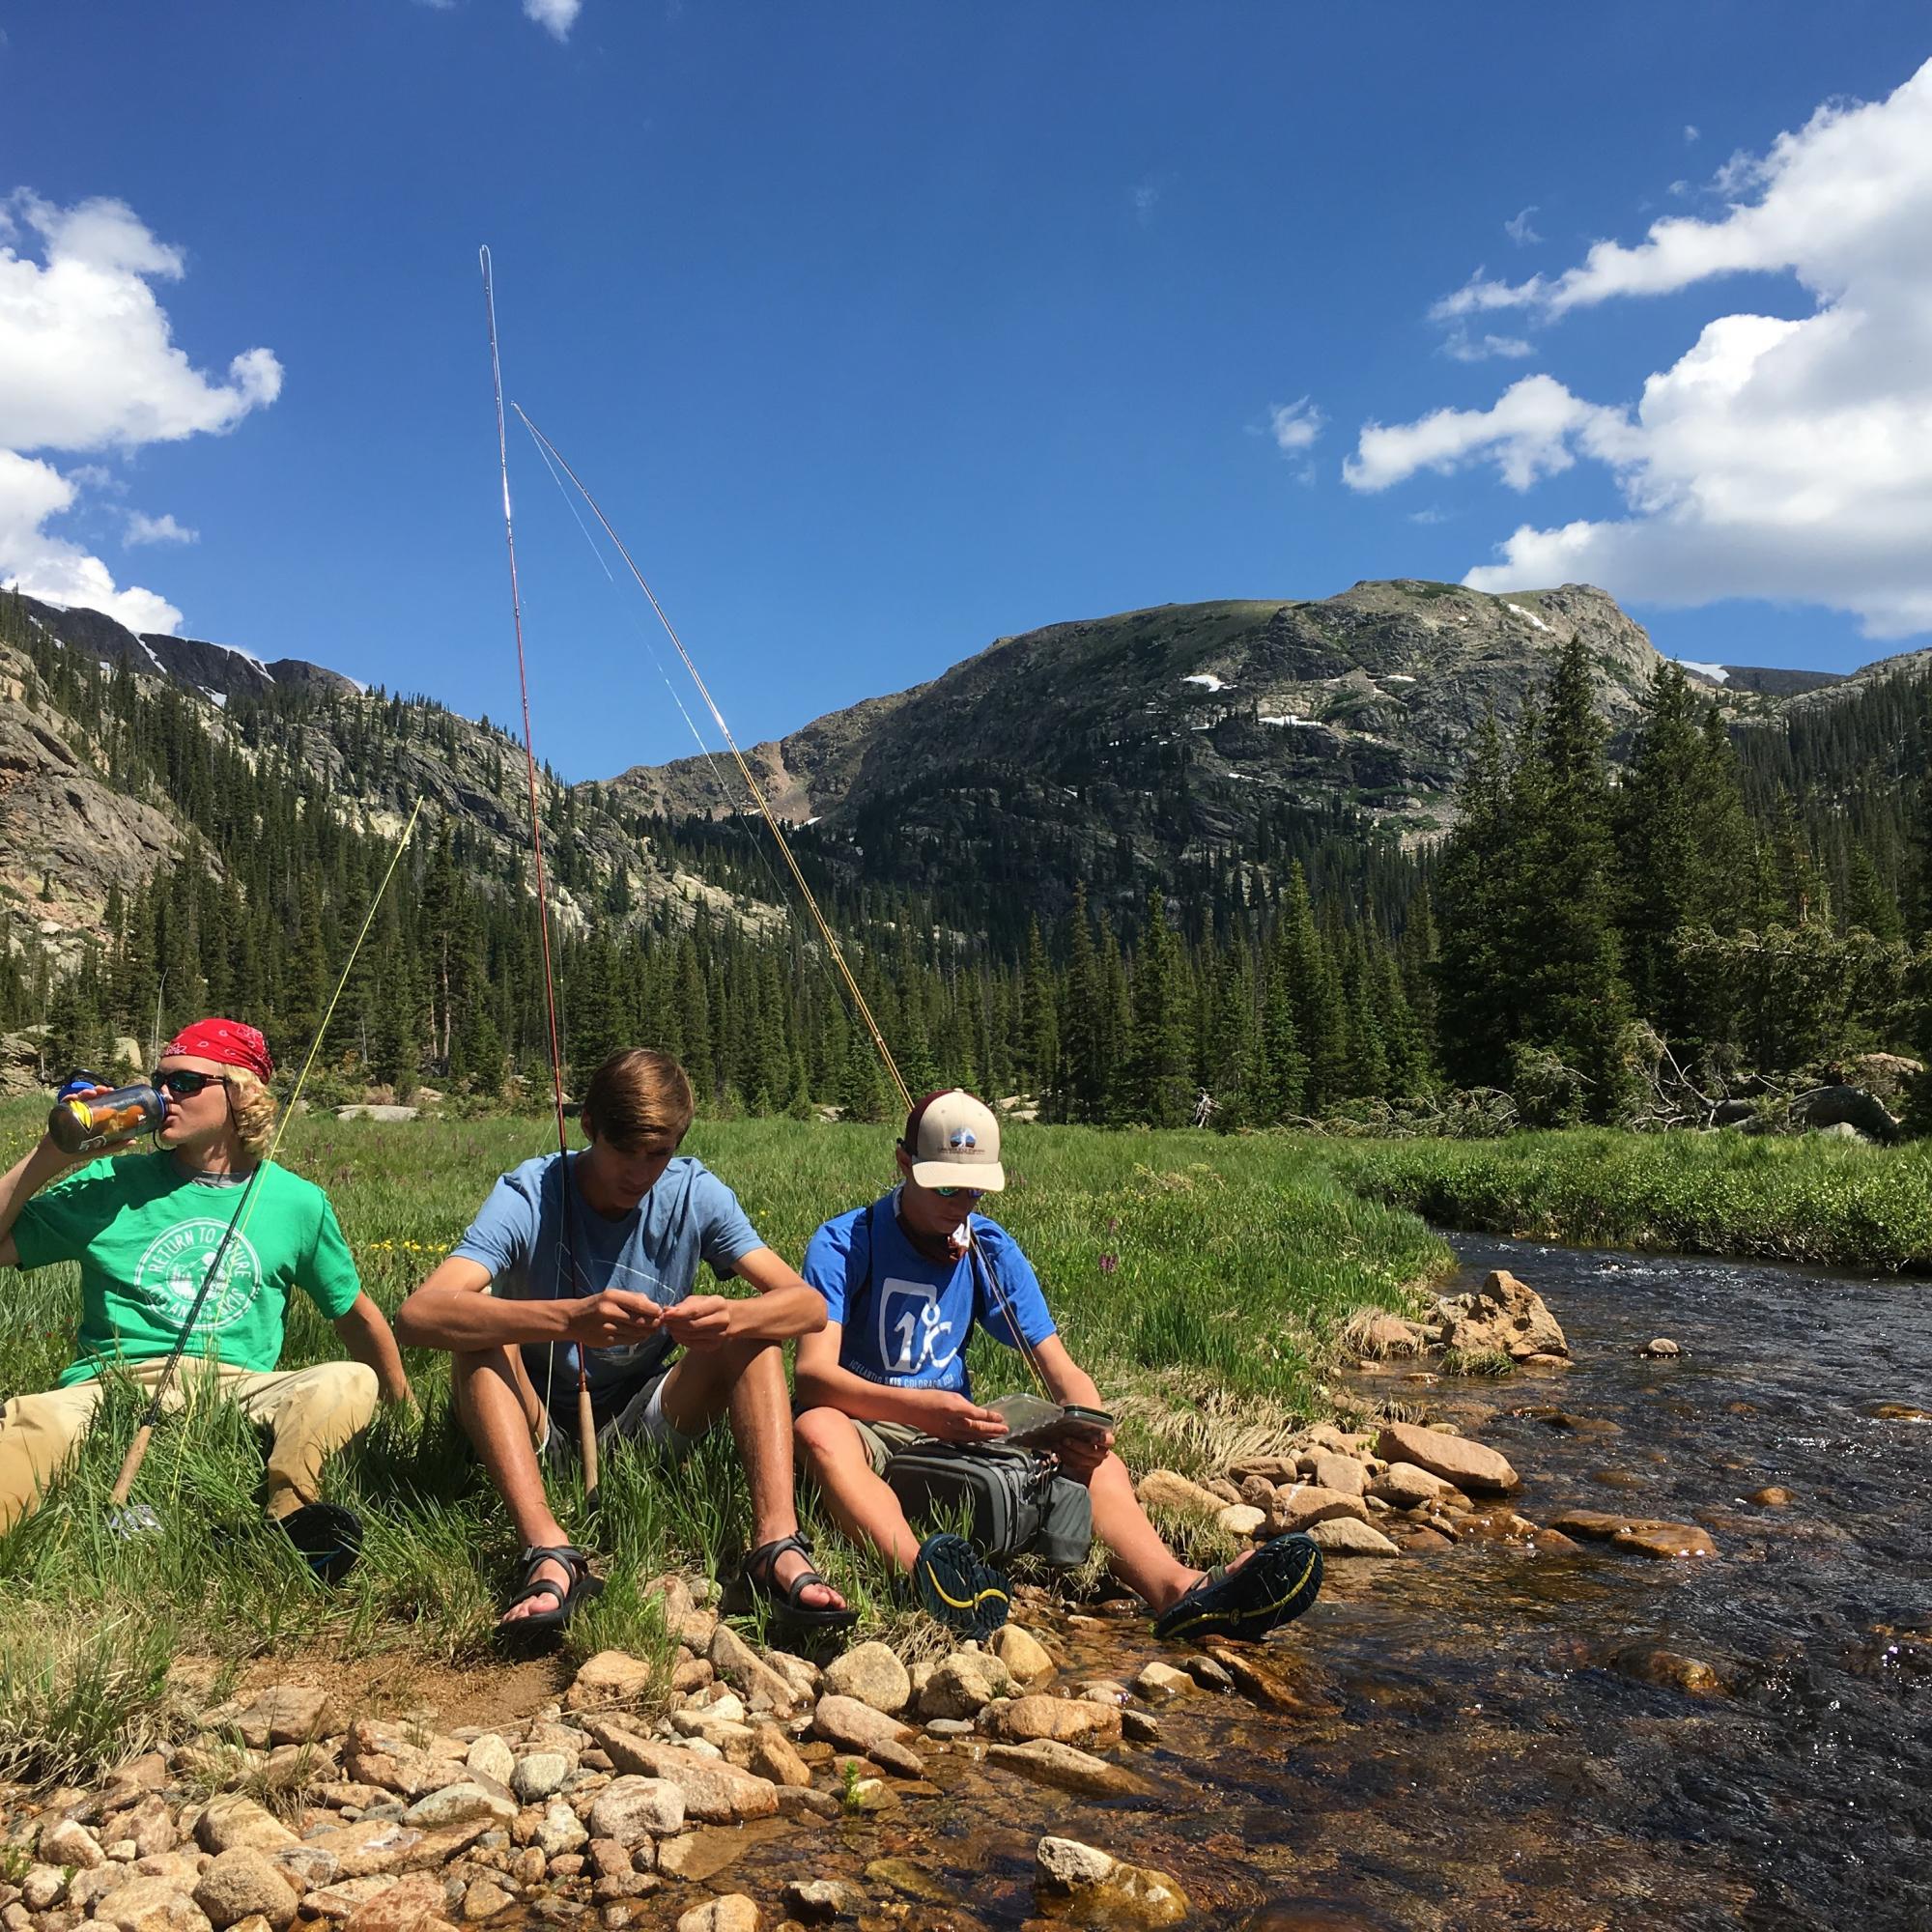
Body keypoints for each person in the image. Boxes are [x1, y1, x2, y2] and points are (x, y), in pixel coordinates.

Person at [793, 1089, 1323, 1642]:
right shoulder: (845, 1243)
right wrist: (922, 1410)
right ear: (904, 1163)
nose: (961, 1203)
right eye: (946, 1186)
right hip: (867, 1421)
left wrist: (1087, 1425)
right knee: (815, 1428)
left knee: (1104, 1467)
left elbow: (1061, 1369)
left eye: (975, 1189)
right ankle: (926, 1578)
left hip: (955, 1426)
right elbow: (813, 1377)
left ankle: (1181, 1591)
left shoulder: (988, 1249)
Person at [397, 1046, 853, 1638]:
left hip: (649, 1413)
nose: (639, 1173)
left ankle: (775, 1546)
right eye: (624, 1152)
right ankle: (548, 1552)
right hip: (532, 1413)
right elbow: (418, 1314)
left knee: (756, 1336)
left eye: (658, 1154)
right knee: (480, 1338)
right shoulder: (530, 1192)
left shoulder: (696, 1193)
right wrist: (568, 1320)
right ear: (588, 1127)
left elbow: (808, 1307)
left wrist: (732, 1315)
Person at [0, 1017, 411, 1558]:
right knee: (37, 1419)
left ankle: (291, 1519)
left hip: (237, 1387)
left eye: (186, 1083)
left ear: (241, 1094)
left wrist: (404, 1409)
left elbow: (353, 1314)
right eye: (159, 1080)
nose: (162, 1095)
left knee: (346, 1380)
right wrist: (54, 1154)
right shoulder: (109, 1186)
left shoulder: (298, 1202)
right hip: (107, 1385)